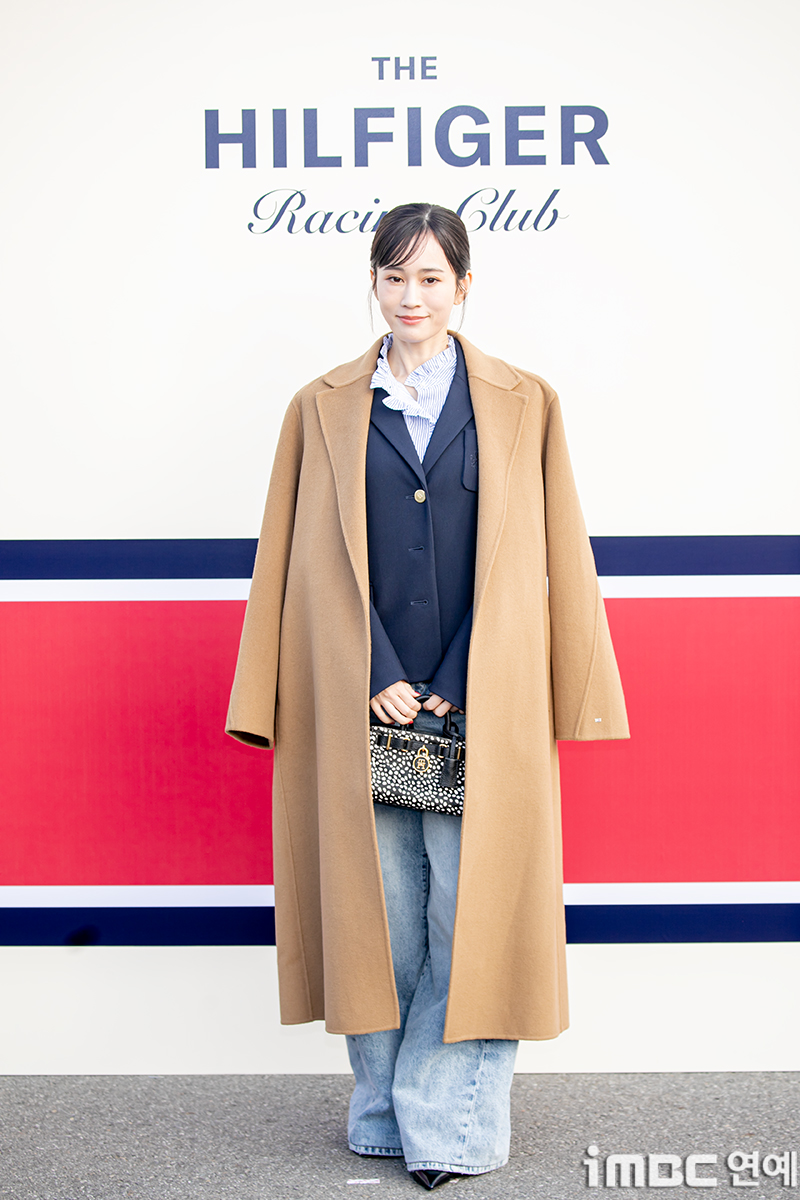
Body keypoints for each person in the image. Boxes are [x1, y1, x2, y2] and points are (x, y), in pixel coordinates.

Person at [226, 202, 630, 1189]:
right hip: (355, 699)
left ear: (463, 287)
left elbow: (546, 553)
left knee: (471, 913)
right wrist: (372, 674)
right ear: (372, 282)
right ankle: (383, 1113)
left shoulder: (524, 402)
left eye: (430, 279)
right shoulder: (318, 405)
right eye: (393, 277)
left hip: (478, 704)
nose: (411, 297)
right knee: (376, 916)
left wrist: (454, 680)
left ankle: (446, 1127)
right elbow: (295, 557)